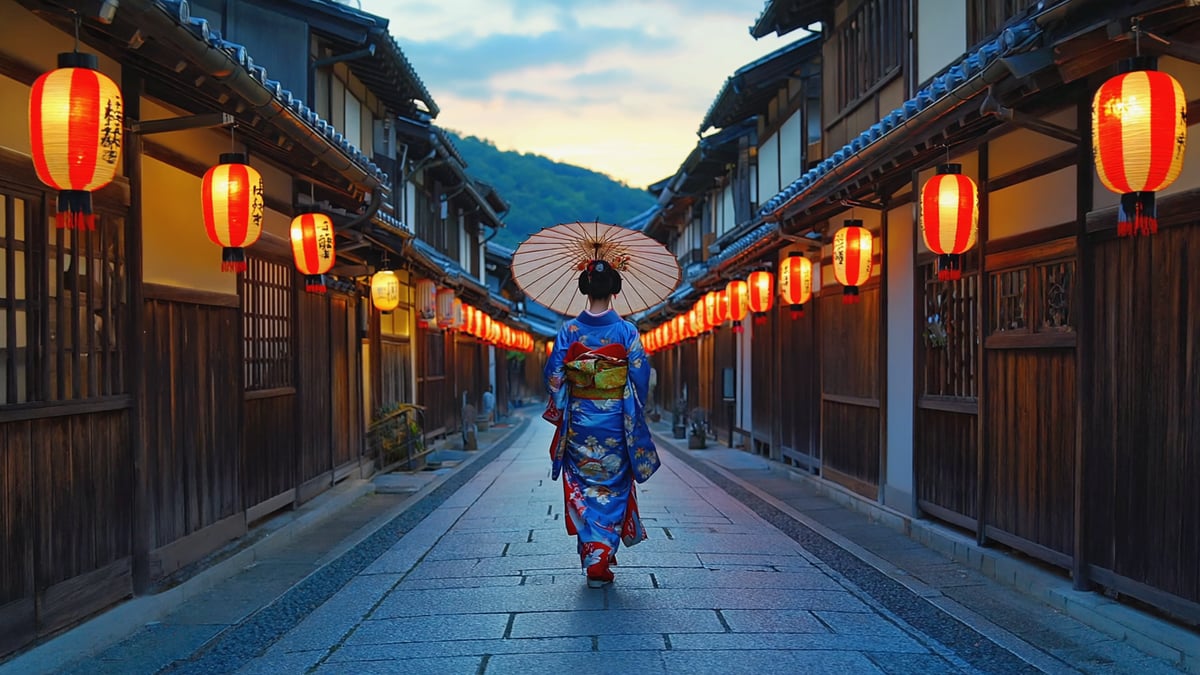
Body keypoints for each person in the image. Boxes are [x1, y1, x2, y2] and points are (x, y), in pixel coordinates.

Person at [543, 259, 659, 588]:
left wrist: (567, 400)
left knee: (582, 481)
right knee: (615, 483)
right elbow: (639, 374)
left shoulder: (570, 331)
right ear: (615, 290)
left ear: (583, 287)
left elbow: (554, 375)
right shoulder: (626, 331)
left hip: (580, 420)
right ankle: (602, 552)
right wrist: (634, 409)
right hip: (614, 421)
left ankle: (593, 551)